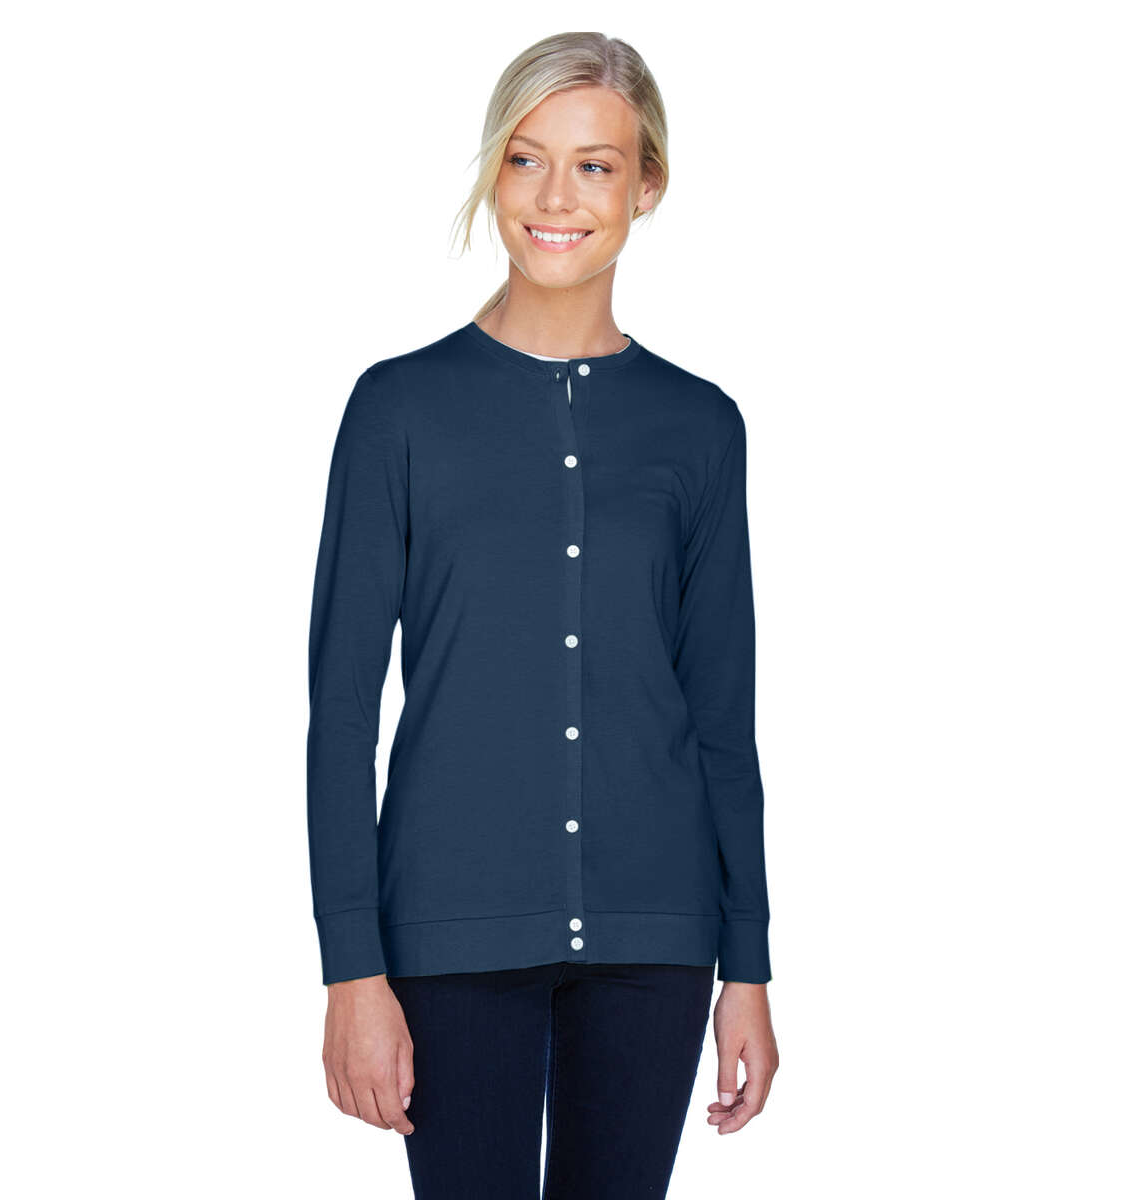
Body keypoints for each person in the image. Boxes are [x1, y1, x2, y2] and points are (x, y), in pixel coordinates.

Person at [306, 31, 779, 1199]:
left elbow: (722, 720)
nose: (556, 197)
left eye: (595, 166)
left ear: (646, 186)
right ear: (494, 174)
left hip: (656, 936)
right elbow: (340, 716)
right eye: (526, 160)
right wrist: (352, 969)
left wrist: (749, 967)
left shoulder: (700, 427)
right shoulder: (398, 410)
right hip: (451, 931)